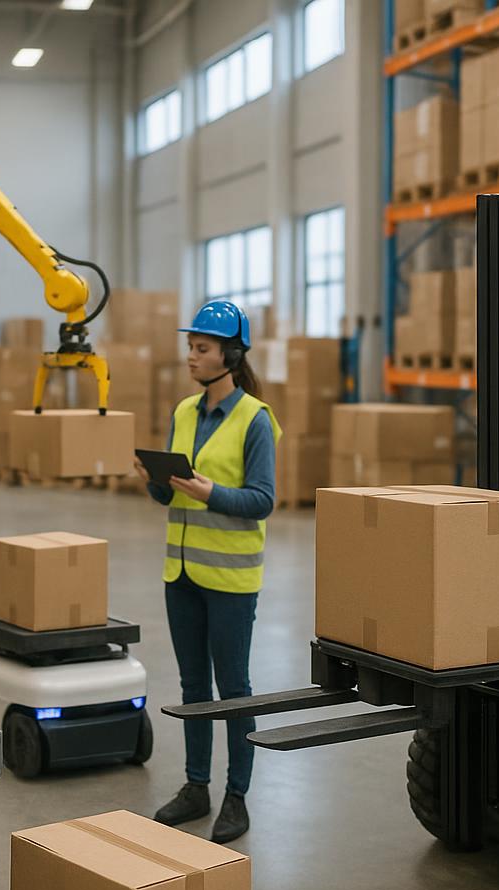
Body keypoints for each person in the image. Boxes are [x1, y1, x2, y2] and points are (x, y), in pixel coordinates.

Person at [133, 300, 280, 844]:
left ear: (230, 354)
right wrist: (152, 477)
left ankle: (236, 796)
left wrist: (209, 492)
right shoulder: (184, 412)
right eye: (190, 347)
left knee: (234, 690)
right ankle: (197, 787)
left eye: (201, 348)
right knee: (194, 686)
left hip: (231, 583)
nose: (191, 356)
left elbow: (263, 500)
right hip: (183, 574)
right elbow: (168, 494)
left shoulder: (255, 420)